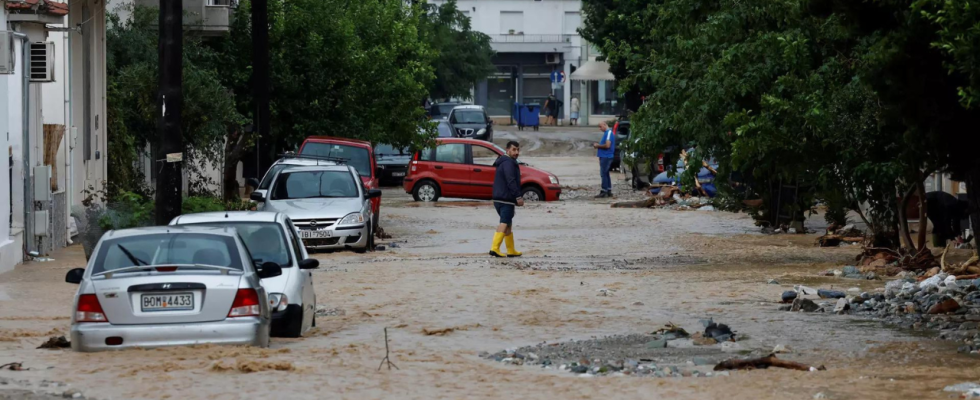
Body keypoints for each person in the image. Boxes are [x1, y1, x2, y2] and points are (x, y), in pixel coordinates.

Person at [490, 141, 525, 257]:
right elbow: (511, 181)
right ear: (507, 150)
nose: (516, 152)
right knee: (504, 222)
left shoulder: (504, 162)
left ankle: (511, 250)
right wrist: (518, 196)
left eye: (518, 150)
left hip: (501, 198)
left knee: (508, 224)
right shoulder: (508, 163)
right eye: (514, 149)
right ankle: (494, 248)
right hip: (505, 198)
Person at [593, 121, 616, 198]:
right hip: (604, 156)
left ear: (605, 125)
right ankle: (608, 190)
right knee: (606, 173)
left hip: (606, 156)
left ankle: (604, 190)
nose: (600, 128)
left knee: (603, 173)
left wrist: (598, 146)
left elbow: (607, 145)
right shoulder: (606, 133)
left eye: (600, 126)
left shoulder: (609, 133)